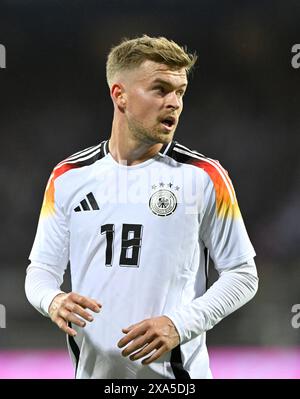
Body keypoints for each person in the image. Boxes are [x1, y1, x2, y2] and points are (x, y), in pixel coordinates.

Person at [25, 35, 258, 379]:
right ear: (119, 95)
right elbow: (41, 272)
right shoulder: (68, 176)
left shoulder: (204, 176)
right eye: (161, 89)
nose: (174, 103)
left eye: (180, 92)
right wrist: (53, 301)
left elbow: (242, 275)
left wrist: (180, 324)